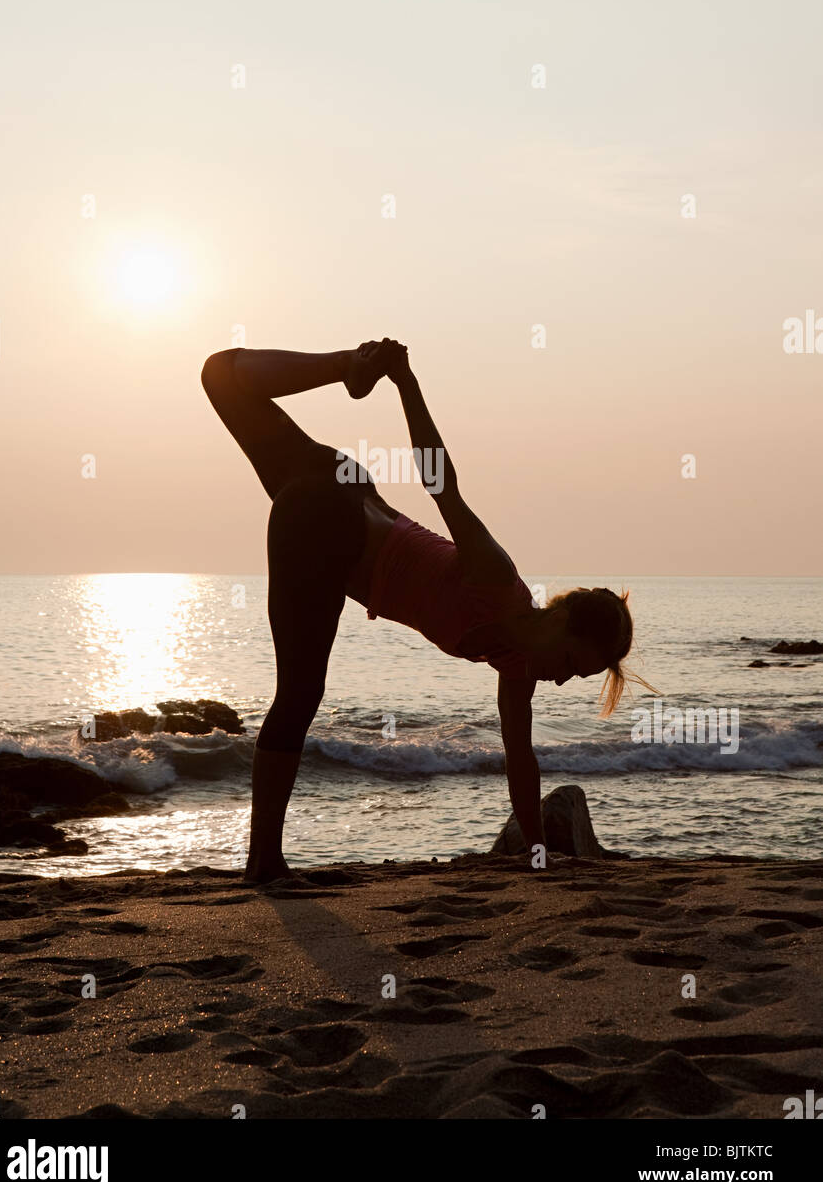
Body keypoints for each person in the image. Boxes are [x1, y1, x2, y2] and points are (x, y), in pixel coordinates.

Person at [201, 338, 642, 882]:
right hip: (327, 525)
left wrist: (536, 851)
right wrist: (405, 383)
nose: (564, 680)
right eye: (577, 664)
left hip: (340, 486)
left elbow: (520, 757)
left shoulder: (514, 662)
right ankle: (263, 862)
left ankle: (347, 367)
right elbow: (441, 485)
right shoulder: (497, 578)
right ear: (562, 620)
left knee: (220, 377)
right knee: (300, 691)